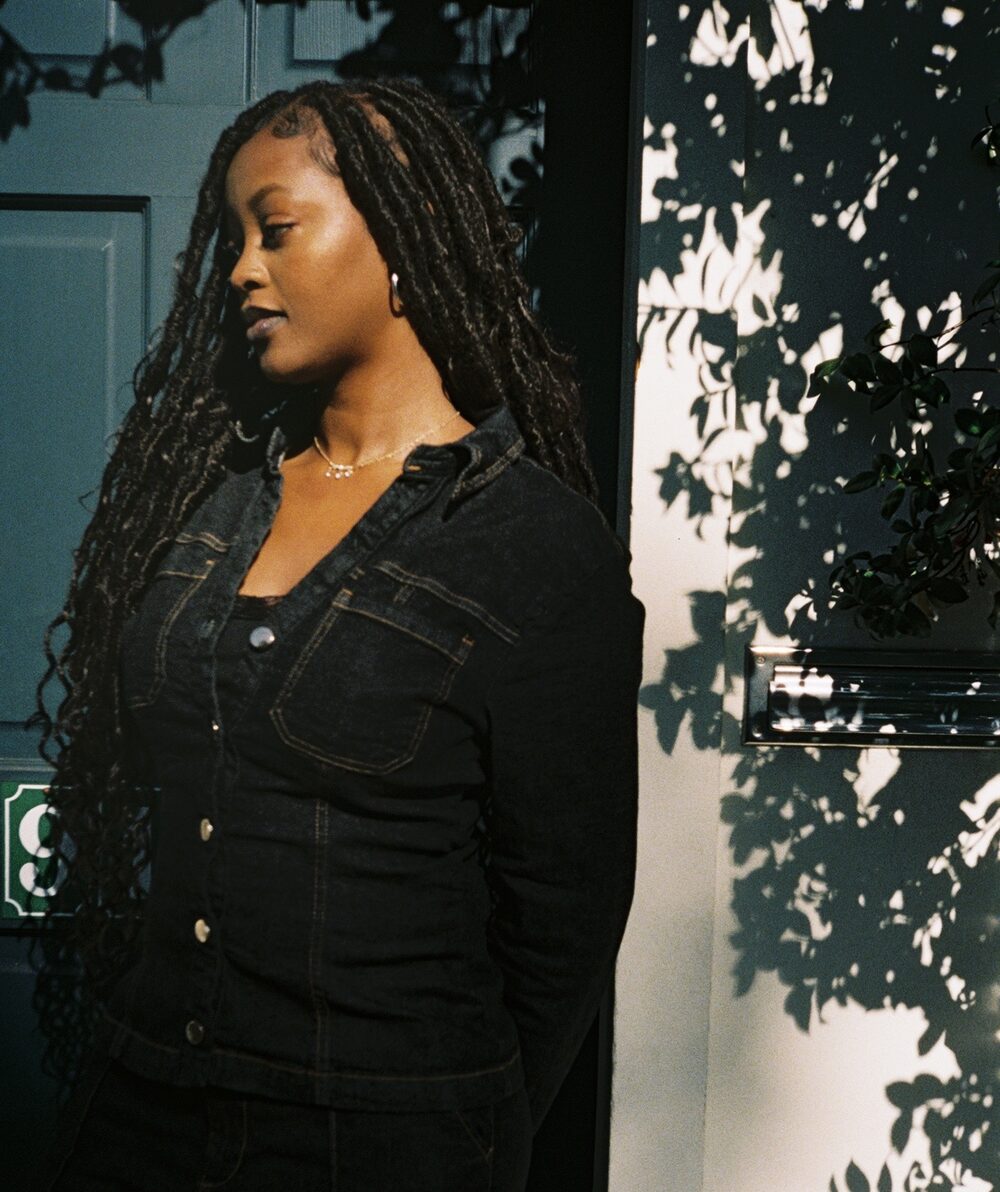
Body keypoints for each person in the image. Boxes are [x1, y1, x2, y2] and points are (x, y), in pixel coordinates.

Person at [30, 76, 645, 1192]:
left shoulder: (536, 548)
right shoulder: (211, 503)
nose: (239, 270)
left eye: (274, 230)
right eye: (233, 240)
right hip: (144, 1109)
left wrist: (467, 1132)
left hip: (383, 1138)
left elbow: (564, 917)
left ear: (405, 238)